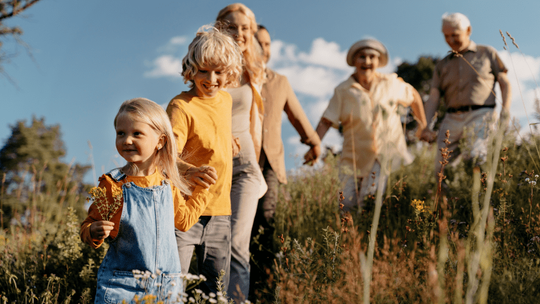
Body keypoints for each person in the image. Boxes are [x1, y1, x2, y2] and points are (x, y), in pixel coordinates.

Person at [80, 98, 209, 303]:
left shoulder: (168, 184)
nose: (127, 140)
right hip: (123, 286)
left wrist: (204, 190)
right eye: (121, 133)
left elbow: (183, 221)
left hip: (166, 287)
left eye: (136, 134)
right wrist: (93, 231)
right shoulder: (113, 185)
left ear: (160, 141)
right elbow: (88, 225)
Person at [305, 38, 427, 212]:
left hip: (382, 155)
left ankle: (369, 236)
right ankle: (350, 238)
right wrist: (314, 146)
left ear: (378, 61)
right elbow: (326, 120)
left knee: (369, 201)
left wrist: (423, 127)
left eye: (372, 57)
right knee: (345, 205)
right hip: (353, 157)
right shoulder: (343, 90)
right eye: (362, 57)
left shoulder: (390, 83)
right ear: (354, 61)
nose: (367, 61)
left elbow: (413, 96)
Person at [166, 26, 243, 294]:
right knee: (174, 283)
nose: (211, 79)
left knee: (215, 289)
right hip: (186, 211)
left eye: (219, 72)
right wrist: (189, 170)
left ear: (230, 72)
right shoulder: (181, 106)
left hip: (220, 210)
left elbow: (212, 128)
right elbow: (166, 156)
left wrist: (228, 139)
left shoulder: (225, 100)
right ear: (190, 69)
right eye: (203, 71)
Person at [250, 24, 321, 296]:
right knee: (241, 227)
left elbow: (297, 115)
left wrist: (313, 142)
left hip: (271, 164)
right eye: (258, 43)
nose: (264, 49)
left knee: (267, 221)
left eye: (268, 44)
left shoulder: (280, 81)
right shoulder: (235, 78)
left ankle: (265, 291)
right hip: (241, 163)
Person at [215, 3, 267, 302]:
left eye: (246, 28)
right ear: (220, 28)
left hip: (245, 167)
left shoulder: (255, 72)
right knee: (212, 244)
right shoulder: (207, 66)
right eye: (232, 27)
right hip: (212, 169)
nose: (240, 33)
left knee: (236, 243)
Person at [419, 13, 511, 178]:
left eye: (455, 35)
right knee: (441, 169)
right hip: (451, 119)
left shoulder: (486, 52)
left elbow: (505, 83)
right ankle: (449, 202)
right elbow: (434, 97)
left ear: (468, 30)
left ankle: (481, 200)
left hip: (481, 114)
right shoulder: (442, 65)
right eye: (446, 36)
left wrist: (506, 110)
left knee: (476, 157)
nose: (450, 40)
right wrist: (426, 126)